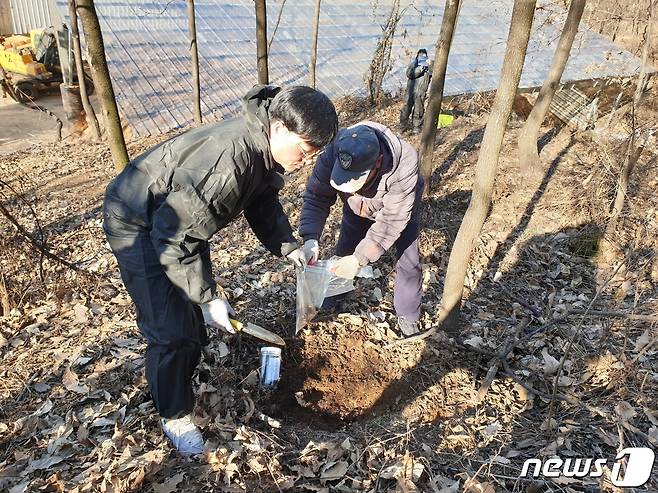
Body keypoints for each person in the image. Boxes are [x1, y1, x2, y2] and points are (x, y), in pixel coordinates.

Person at [103, 85, 337, 455]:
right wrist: (208, 296)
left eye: (315, 154)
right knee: (170, 329)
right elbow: (173, 238)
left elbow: (261, 204)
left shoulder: (263, 152)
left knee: (193, 321)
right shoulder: (228, 164)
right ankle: (174, 415)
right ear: (279, 129)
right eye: (305, 150)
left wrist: (288, 246)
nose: (307, 161)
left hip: (180, 225)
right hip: (138, 219)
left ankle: (182, 366)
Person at [297, 122, 424, 337]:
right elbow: (317, 197)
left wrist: (360, 259)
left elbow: (392, 220)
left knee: (408, 258)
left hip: (398, 207)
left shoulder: (404, 163)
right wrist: (310, 238)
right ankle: (334, 296)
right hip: (357, 206)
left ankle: (408, 315)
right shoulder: (335, 151)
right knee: (346, 247)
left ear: (378, 164)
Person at [399, 48, 431, 134]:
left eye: (424, 55)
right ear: (417, 56)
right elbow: (410, 74)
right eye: (420, 55)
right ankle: (402, 126)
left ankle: (416, 128)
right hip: (410, 91)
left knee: (418, 110)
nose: (422, 57)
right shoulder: (413, 64)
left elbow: (435, 75)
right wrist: (421, 68)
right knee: (406, 108)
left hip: (421, 92)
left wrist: (429, 65)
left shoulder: (429, 66)